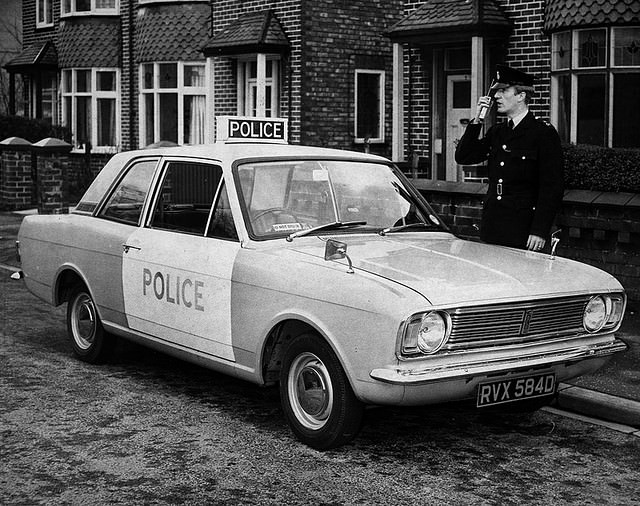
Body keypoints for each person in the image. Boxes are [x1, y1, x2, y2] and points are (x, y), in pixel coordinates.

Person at [455, 64, 564, 251]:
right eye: (497, 91)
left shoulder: (542, 133)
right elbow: (464, 156)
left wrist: (539, 230)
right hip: (494, 225)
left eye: (504, 91)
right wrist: (477, 120)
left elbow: (551, 186)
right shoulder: (498, 132)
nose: (496, 96)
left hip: (523, 229)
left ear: (521, 96)